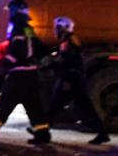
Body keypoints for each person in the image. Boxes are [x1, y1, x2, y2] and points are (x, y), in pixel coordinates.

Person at [0, 0, 50, 144]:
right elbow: (39, 47)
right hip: (31, 73)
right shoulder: (28, 28)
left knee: (6, 102)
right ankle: (43, 133)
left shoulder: (17, 28)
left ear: (15, 11)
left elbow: (15, 52)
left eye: (11, 10)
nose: (10, 14)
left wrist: (0, 67)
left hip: (19, 75)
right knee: (33, 105)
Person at [45, 17, 110, 145]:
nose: (55, 31)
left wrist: (65, 78)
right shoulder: (68, 40)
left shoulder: (69, 41)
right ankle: (102, 133)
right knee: (73, 107)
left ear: (63, 29)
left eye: (57, 28)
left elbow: (70, 62)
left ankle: (42, 132)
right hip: (72, 80)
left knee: (56, 106)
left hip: (71, 80)